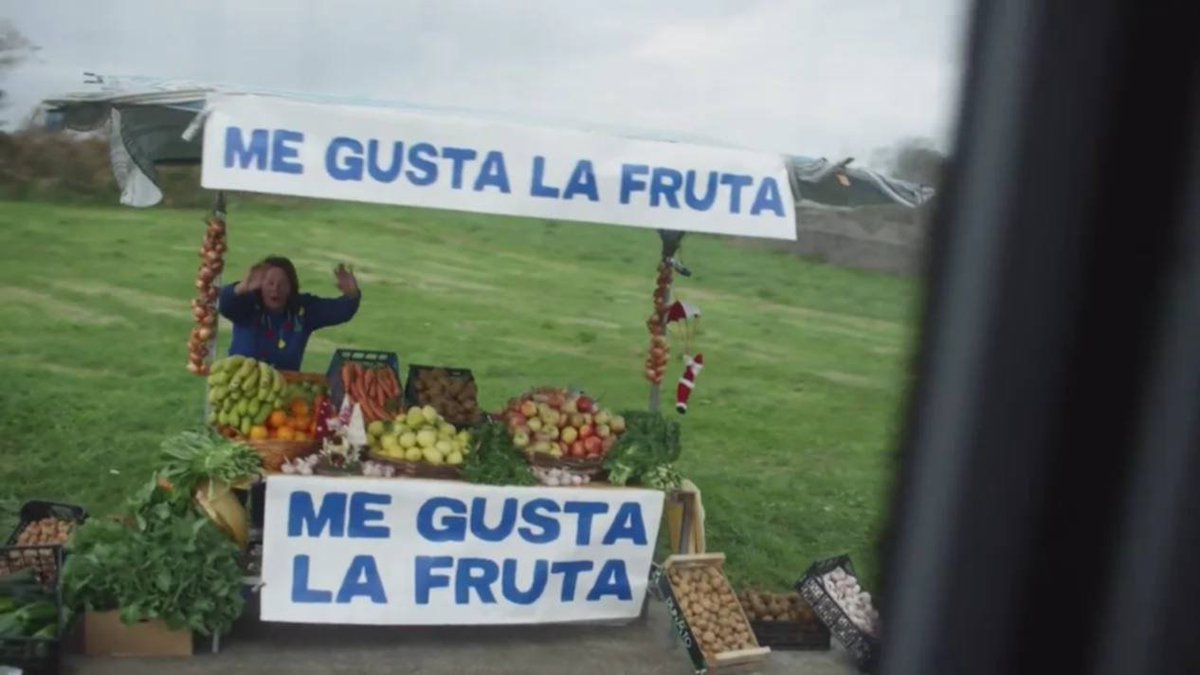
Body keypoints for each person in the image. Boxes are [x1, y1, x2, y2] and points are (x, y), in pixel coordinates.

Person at [218, 256, 361, 371]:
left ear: (291, 288)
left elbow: (340, 311)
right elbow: (224, 304)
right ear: (259, 285)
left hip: (283, 389)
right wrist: (242, 287)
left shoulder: (302, 310)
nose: (275, 289)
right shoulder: (247, 304)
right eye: (270, 283)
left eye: (282, 284)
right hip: (239, 387)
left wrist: (352, 294)